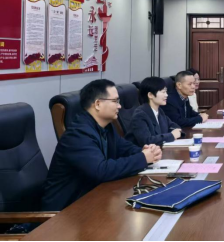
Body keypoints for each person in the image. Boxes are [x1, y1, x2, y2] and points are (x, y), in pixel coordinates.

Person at [42, 80, 162, 211]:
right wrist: (143, 158)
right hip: (65, 211)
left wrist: (146, 151)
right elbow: (101, 171)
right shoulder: (78, 134)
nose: (119, 106)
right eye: (115, 101)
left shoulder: (106, 127)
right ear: (98, 104)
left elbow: (125, 147)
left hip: (92, 200)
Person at [126, 77, 183, 147]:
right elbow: (147, 141)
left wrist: (173, 133)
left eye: (166, 92)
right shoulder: (140, 115)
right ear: (150, 95)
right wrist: (171, 135)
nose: (166, 95)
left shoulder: (159, 111)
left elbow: (174, 126)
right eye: (163, 92)